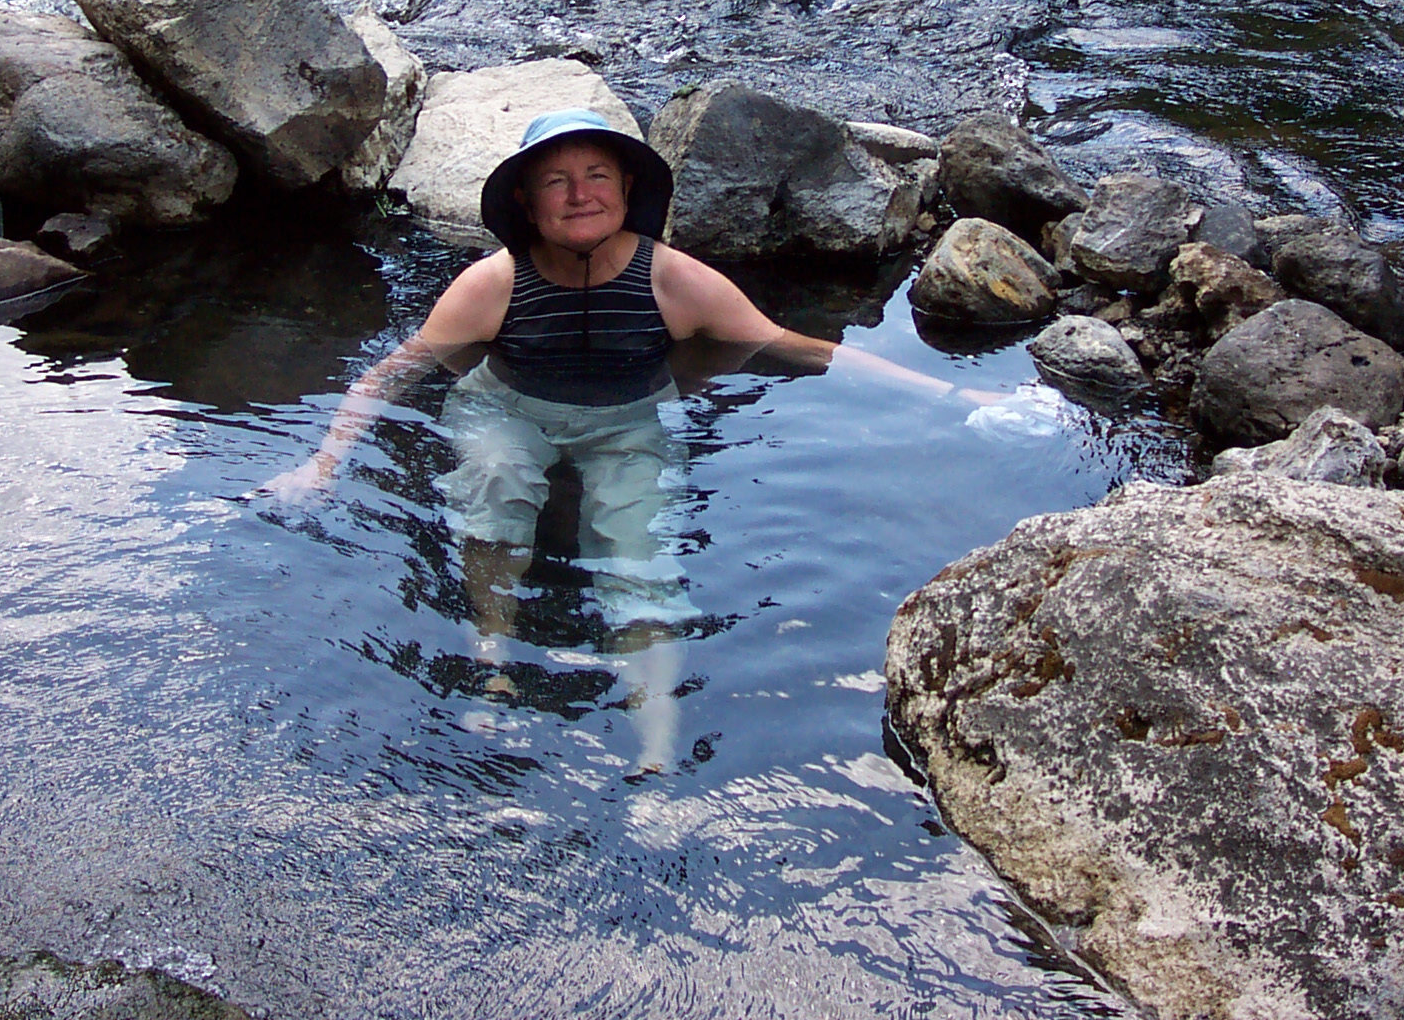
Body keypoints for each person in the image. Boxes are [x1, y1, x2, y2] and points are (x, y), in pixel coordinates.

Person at [265, 109, 1003, 773]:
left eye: (596, 176)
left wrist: (951, 394)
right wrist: (322, 465)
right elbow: (391, 374)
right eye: (556, 180)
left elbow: (799, 348)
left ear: (625, 189)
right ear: (526, 201)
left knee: (639, 556)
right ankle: (491, 654)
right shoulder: (492, 283)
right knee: (496, 483)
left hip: (627, 423)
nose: (579, 194)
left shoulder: (673, 279)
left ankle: (656, 743)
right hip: (508, 411)